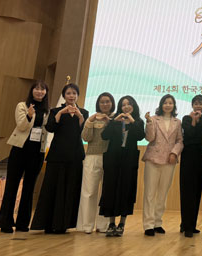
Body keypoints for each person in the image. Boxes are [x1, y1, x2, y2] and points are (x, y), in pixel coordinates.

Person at [31, 83, 88, 233]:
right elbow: (50, 128)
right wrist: (60, 113)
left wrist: (80, 116)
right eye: (68, 93)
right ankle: (48, 224)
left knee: (70, 190)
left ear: (78, 95)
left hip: (75, 156)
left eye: (74, 93)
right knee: (52, 189)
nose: (71, 96)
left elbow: (84, 132)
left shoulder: (84, 112)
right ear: (64, 96)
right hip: (57, 155)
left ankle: (64, 224)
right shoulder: (55, 111)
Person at [0, 81, 50, 233]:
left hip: (37, 153)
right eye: (37, 89)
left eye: (42, 89)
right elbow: (21, 126)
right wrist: (29, 115)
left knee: (29, 188)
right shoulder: (22, 106)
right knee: (12, 186)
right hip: (20, 150)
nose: (39, 91)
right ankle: (5, 223)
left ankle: (22, 223)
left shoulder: (47, 111)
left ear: (46, 93)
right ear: (32, 91)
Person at [99, 95, 145, 237]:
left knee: (126, 190)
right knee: (111, 190)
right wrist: (113, 122)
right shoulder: (115, 120)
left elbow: (140, 136)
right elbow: (104, 136)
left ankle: (122, 224)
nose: (126, 107)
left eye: (128, 104)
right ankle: (111, 223)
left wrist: (132, 121)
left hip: (129, 160)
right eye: (123, 105)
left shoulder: (138, 121)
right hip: (113, 159)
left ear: (133, 106)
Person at [142, 94, 183, 236]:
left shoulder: (177, 122)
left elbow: (180, 141)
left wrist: (174, 153)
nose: (168, 105)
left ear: (174, 105)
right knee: (150, 193)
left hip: (169, 160)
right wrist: (149, 123)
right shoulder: (153, 119)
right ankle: (148, 224)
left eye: (170, 103)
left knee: (162, 193)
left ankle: (157, 222)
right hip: (153, 159)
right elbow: (150, 138)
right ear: (161, 105)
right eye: (165, 102)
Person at [76, 92, 115, 234]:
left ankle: (103, 225)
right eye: (102, 102)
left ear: (112, 103)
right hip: (92, 157)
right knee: (89, 191)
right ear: (98, 104)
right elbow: (86, 137)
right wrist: (90, 121)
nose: (105, 104)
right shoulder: (92, 118)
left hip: (110, 158)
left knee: (106, 193)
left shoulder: (116, 118)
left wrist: (110, 123)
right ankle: (86, 225)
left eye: (108, 101)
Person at [179, 95, 202, 238]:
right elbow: (189, 134)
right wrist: (194, 121)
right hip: (187, 155)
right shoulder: (186, 119)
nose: (198, 106)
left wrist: (198, 122)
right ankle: (186, 225)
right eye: (195, 103)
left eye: (200, 103)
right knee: (186, 190)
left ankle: (192, 224)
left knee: (197, 190)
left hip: (200, 155)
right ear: (192, 105)